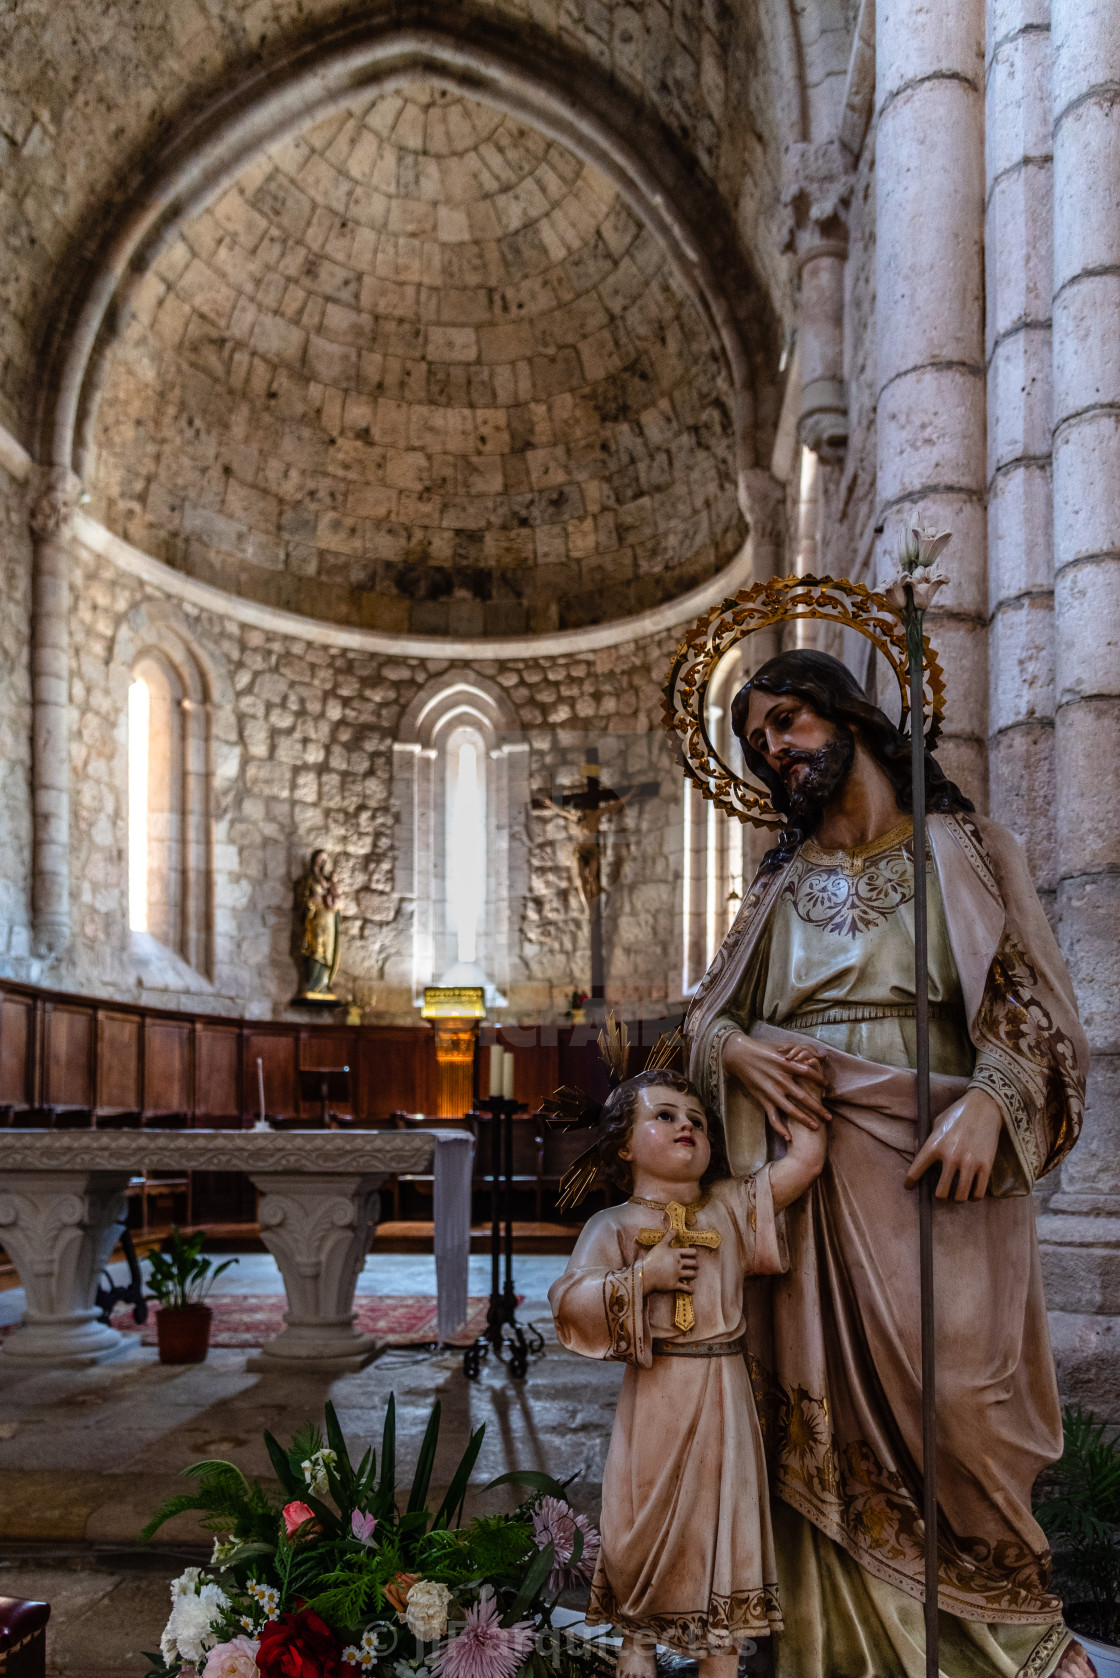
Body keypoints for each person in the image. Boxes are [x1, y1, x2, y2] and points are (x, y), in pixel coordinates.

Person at [685, 648, 1092, 1678]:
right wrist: (732, 1048)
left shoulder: (963, 849)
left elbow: (1036, 1012)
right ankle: (838, 1655)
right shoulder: (776, 884)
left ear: (848, 714)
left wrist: (996, 1104)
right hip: (810, 1183)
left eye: (785, 720)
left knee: (961, 1406)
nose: (773, 748)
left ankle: (1005, 1649)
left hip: (941, 1170)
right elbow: (704, 1020)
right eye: (757, 740)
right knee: (814, 1431)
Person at [549, 1067, 826, 1678]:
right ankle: (637, 1640)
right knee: (636, 1521)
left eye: (696, 1120)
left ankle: (719, 1655)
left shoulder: (727, 1204)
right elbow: (569, 1302)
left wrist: (799, 1090)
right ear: (623, 1144)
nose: (686, 1128)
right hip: (658, 1391)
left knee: (723, 1518)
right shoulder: (613, 1225)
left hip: (725, 1391)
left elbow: (803, 1165)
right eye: (666, 1116)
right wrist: (642, 1278)